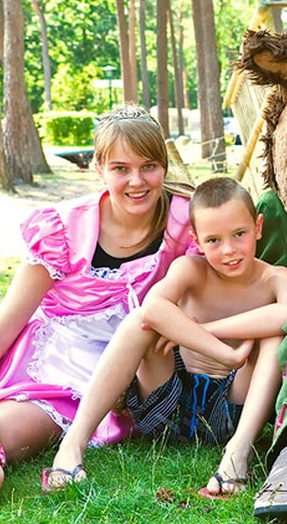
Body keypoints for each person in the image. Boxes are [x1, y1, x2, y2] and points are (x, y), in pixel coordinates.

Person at [46, 177, 287, 498]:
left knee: (274, 337)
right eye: (213, 240)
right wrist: (226, 353)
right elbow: (153, 308)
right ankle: (73, 445)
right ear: (196, 238)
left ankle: (237, 455)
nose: (229, 250)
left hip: (233, 413)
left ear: (258, 226)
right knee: (141, 321)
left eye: (240, 234)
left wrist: (208, 332)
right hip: (166, 408)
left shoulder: (276, 278)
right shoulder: (191, 270)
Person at [0, 106, 197, 491]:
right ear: (99, 169)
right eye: (121, 168)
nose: (137, 181)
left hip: (136, 365)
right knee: (9, 433)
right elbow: (10, 319)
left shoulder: (186, 221)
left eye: (149, 166)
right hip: (53, 363)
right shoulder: (64, 227)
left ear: (164, 166)